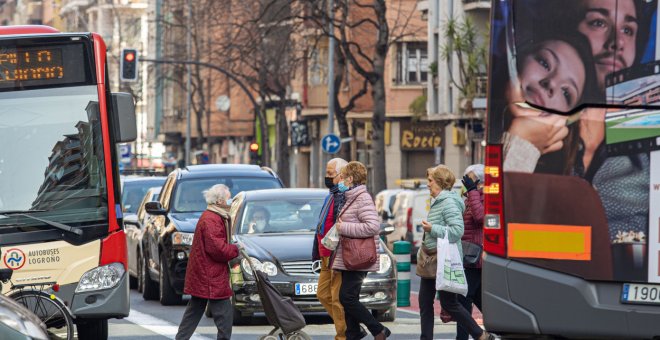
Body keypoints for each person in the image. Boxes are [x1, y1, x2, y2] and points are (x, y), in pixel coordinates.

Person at [419, 165, 493, 340]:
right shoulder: (442, 200)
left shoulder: (450, 201)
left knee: (453, 303)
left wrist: (432, 228)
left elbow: (457, 230)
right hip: (433, 259)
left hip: (448, 259)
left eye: (430, 181)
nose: (427, 184)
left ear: (439, 182)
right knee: (427, 303)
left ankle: (480, 334)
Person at [332, 161, 390, 340]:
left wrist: (344, 228)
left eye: (342, 177)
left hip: (358, 256)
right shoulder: (351, 197)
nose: (339, 181)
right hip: (349, 256)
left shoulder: (362, 198)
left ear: (350, 179)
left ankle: (378, 329)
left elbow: (373, 226)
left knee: (346, 297)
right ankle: (353, 335)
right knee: (350, 298)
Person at [175, 184, 239, 340]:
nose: (230, 202)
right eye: (228, 198)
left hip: (205, 273)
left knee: (194, 311)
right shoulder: (212, 220)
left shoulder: (212, 216)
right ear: (219, 201)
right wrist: (235, 249)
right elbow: (218, 249)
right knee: (224, 316)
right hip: (211, 275)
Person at [314, 158, 353, 340]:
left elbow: (340, 227)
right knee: (322, 294)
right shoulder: (331, 195)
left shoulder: (342, 196)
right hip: (325, 256)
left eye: (331, 174)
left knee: (337, 299)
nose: (327, 177)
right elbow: (321, 226)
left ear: (341, 175)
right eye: (327, 173)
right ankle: (349, 326)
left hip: (335, 255)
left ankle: (343, 335)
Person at [456, 164, 486, 340]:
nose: (466, 182)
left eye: (470, 178)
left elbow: (480, 217)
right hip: (469, 258)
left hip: (474, 259)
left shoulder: (484, 196)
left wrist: (473, 191)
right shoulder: (470, 197)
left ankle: (473, 335)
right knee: (476, 300)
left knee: (463, 302)